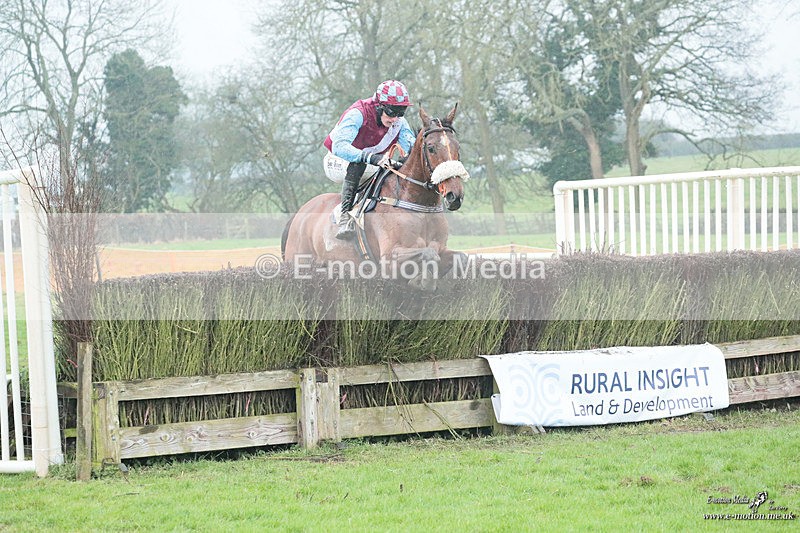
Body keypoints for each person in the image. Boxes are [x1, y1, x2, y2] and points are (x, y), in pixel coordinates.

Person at [323, 80, 416, 239]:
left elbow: (410, 150)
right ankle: (345, 217)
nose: (395, 118)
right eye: (392, 112)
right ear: (379, 106)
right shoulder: (358, 113)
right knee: (358, 164)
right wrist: (371, 158)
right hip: (338, 160)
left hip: (371, 163)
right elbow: (339, 146)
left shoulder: (399, 123)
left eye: (401, 112)